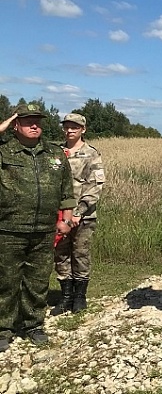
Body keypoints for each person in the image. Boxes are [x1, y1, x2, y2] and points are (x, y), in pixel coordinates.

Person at [0, 103, 75, 352]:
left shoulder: (54, 154)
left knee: (38, 280)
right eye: (27, 120)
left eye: (38, 121)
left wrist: (65, 219)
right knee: (6, 281)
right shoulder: (4, 152)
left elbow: (66, 190)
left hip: (44, 230)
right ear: (15, 125)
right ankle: (4, 328)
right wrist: (4, 126)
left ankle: (33, 324)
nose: (35, 125)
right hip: (9, 228)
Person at [51, 113, 105, 315]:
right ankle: (65, 295)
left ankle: (80, 296)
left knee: (80, 253)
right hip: (59, 215)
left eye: (74, 127)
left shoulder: (91, 154)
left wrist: (79, 211)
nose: (69, 130)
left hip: (83, 215)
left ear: (83, 129)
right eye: (66, 127)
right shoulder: (55, 152)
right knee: (61, 254)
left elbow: (95, 185)